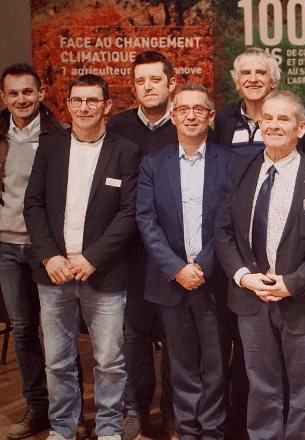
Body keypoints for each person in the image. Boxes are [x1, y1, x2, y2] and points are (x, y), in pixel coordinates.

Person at [214, 90, 305, 440]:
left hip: (304, 301)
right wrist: (243, 277)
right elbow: (223, 231)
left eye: (283, 119)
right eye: (267, 118)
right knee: (261, 385)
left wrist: (292, 283)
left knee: (304, 390)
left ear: (301, 128)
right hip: (251, 300)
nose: (273, 125)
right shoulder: (241, 170)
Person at [23, 74, 142, 440]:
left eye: (92, 100)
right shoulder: (50, 146)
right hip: (55, 273)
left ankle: (108, 427)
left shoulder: (126, 151)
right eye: (77, 100)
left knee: (109, 361)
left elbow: (129, 212)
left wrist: (92, 258)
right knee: (57, 361)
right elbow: (33, 205)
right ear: (68, 105)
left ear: (107, 106)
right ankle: (62, 427)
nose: (84, 107)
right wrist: (49, 257)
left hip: (103, 273)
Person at [137, 83, 238, 440]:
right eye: (183, 109)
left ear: (211, 116)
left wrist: (203, 267)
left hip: (213, 281)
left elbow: (230, 222)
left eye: (199, 109)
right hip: (171, 281)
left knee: (216, 364)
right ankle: (187, 430)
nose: (191, 116)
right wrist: (177, 268)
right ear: (173, 116)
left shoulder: (231, 163)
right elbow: (146, 221)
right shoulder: (153, 164)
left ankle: (212, 431)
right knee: (180, 366)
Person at [0, 63, 93, 440]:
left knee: (61, 332)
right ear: (4, 98)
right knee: (23, 329)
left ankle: (71, 413)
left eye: (28, 91)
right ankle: (37, 407)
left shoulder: (60, 135)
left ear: (41, 94)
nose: (21, 99)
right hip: (7, 247)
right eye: (13, 93)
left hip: (50, 248)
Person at [105, 50, 177, 440]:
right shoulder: (117, 126)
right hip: (129, 251)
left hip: (175, 251)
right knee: (134, 335)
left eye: (155, 79)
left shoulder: (185, 122)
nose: (148, 87)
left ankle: (172, 411)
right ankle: (135, 408)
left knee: (174, 334)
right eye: (140, 81)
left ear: (171, 83)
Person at [214, 47, 305, 157]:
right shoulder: (223, 118)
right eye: (246, 73)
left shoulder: (298, 115)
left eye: (261, 73)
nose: (253, 80)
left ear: (273, 81)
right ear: (237, 82)